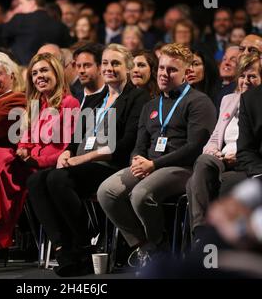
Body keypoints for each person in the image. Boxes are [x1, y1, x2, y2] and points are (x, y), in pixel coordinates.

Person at [28, 44, 150, 277]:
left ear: (128, 67)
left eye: (115, 63)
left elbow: (127, 143)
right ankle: (63, 247)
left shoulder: (137, 97)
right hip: (83, 162)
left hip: (111, 164)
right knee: (36, 181)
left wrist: (86, 157)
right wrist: (67, 152)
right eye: (105, 63)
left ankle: (83, 246)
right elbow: (76, 137)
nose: (109, 68)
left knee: (57, 179)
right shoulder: (98, 98)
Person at [97, 43, 216, 269]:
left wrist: (153, 164)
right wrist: (136, 160)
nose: (164, 74)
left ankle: (159, 246)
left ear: (185, 73)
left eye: (171, 70)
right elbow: (140, 143)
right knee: (107, 192)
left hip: (183, 168)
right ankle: (147, 247)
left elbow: (195, 147)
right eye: (161, 68)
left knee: (141, 194)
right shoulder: (152, 104)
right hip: (150, 165)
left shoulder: (199, 102)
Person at [0, 53, 79, 268]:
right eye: (35, 73)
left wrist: (35, 160)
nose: (39, 76)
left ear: (57, 73)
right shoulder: (36, 104)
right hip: (27, 165)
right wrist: (23, 152)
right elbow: (24, 142)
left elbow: (67, 150)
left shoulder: (69, 103)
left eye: (44, 71)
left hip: (46, 169)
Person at [186, 53, 261, 244]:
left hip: (243, 161)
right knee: (203, 162)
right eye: (243, 76)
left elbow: (250, 146)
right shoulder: (228, 99)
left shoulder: (256, 104)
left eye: (252, 76)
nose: (246, 81)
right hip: (220, 157)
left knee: (199, 183)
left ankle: (210, 242)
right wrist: (213, 151)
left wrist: (238, 155)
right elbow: (216, 135)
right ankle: (201, 234)